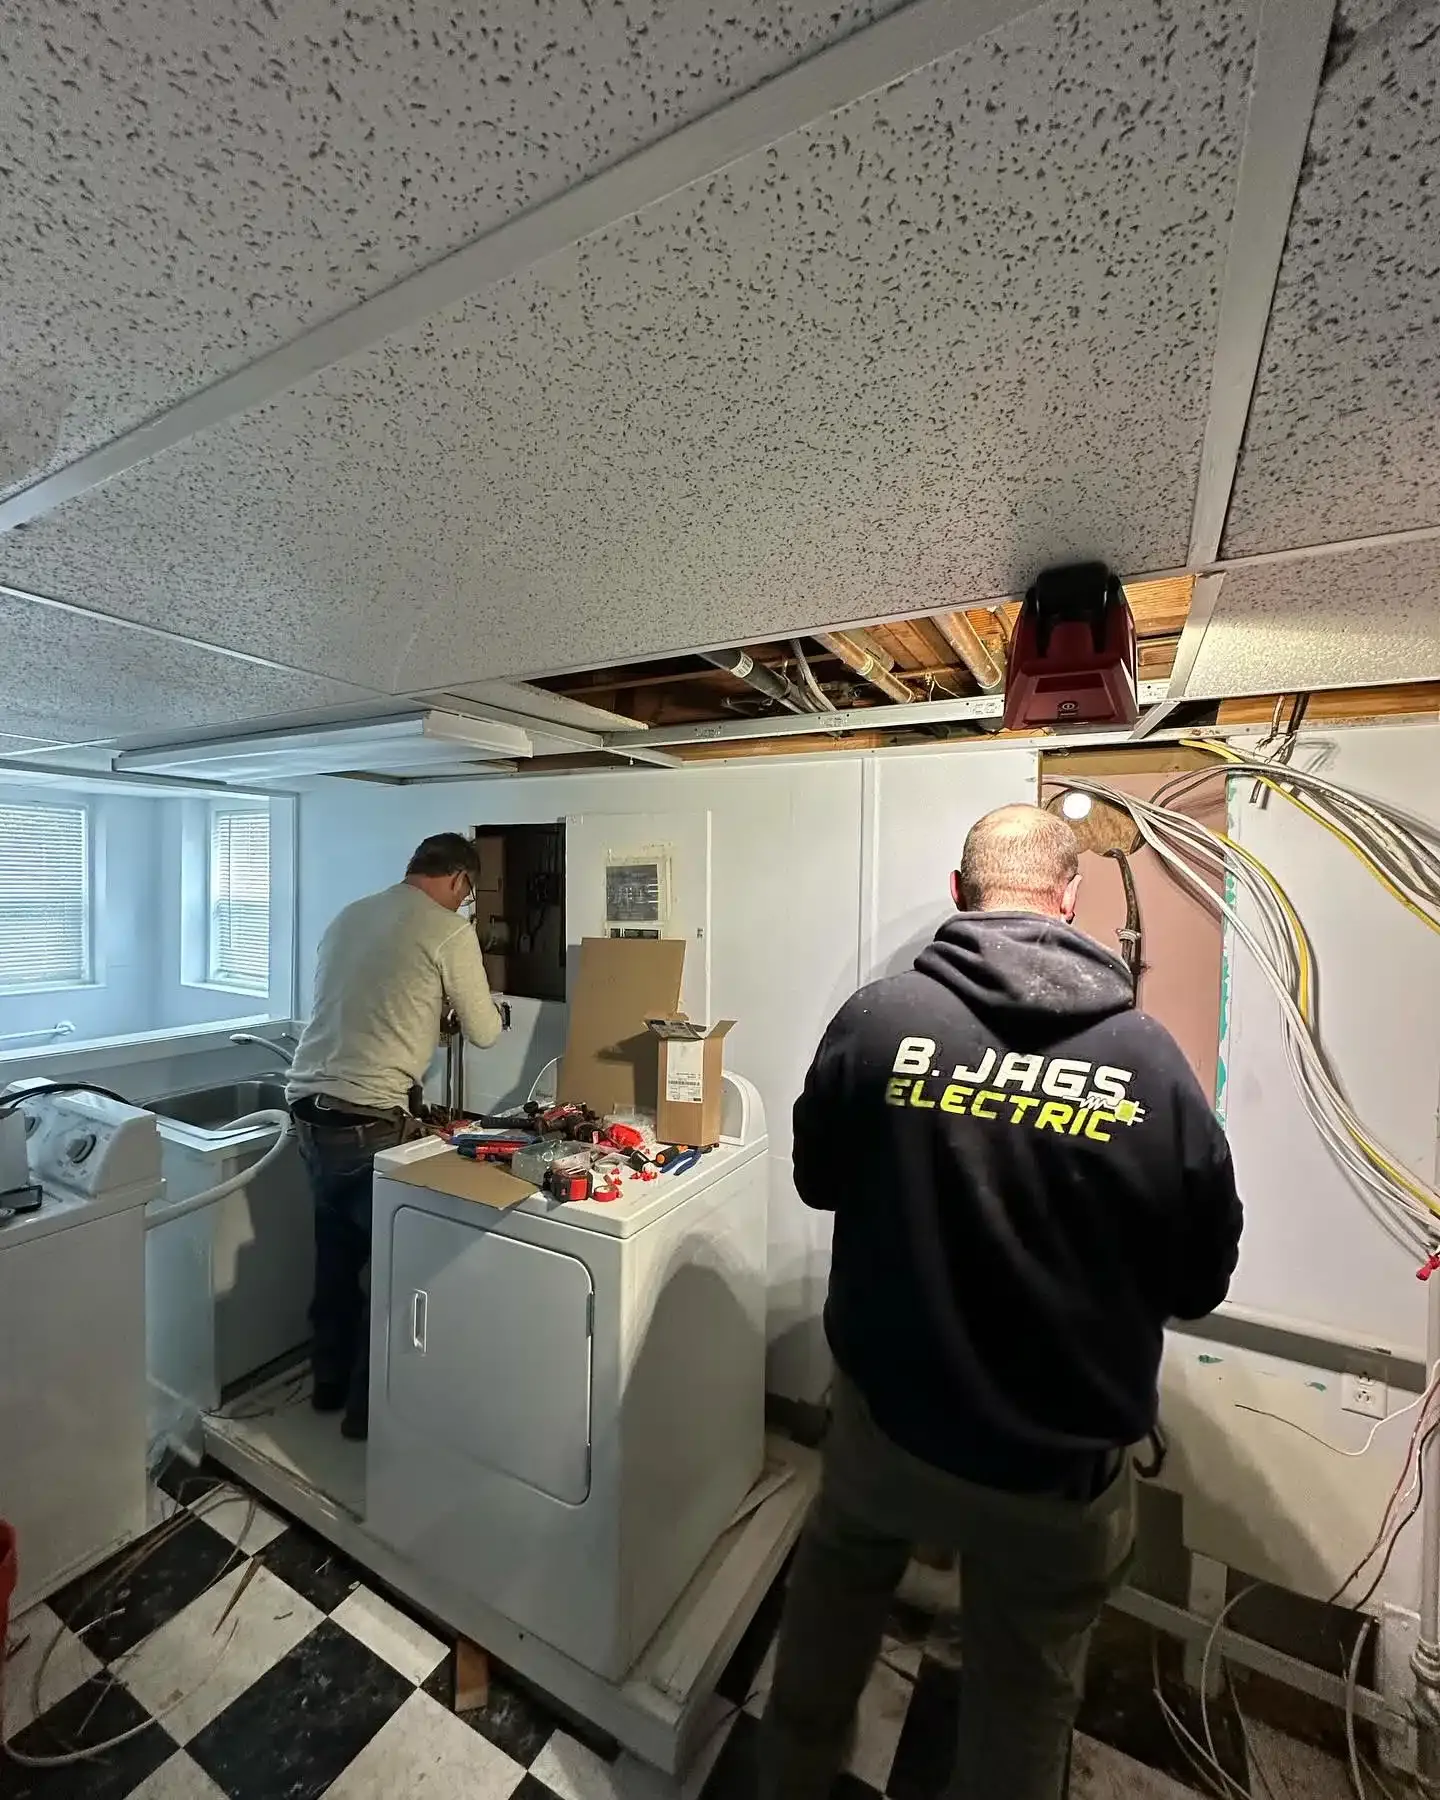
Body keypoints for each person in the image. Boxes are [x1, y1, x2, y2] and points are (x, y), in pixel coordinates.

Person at [760, 803, 1242, 1800]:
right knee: (1022, 1698)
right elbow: (1200, 1281)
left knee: (829, 1618)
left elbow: (818, 1179)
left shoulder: (880, 1021)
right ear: (1069, 900)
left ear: (959, 896)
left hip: (885, 1433)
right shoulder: (1150, 1067)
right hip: (1051, 1471)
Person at [286, 832, 506, 1440]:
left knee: (335, 1258)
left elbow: (368, 1005)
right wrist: (484, 1010)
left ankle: (328, 1386)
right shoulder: (449, 931)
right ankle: (365, 1419)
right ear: (461, 882)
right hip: (368, 1122)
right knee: (391, 1271)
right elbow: (484, 1032)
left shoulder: (351, 914)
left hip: (309, 1110)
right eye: (467, 897)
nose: (464, 907)